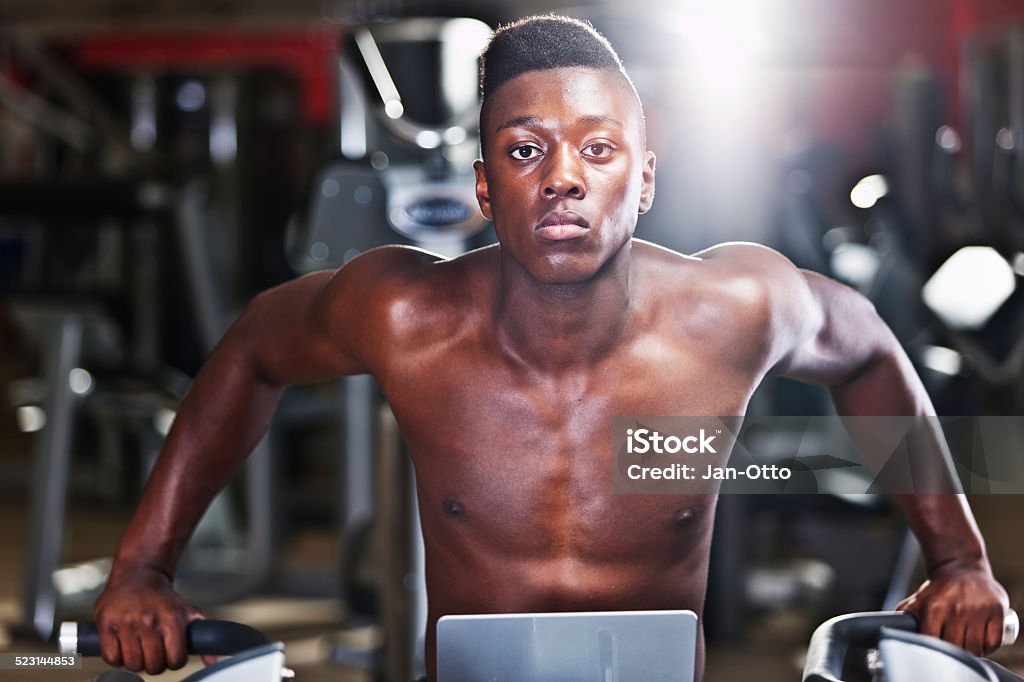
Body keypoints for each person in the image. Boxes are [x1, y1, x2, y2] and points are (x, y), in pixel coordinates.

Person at [93, 15, 1009, 681]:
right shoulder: (407, 316)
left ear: (645, 179)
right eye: (526, 151)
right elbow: (255, 345)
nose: (564, 178)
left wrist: (957, 556)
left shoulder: (734, 309)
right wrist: (142, 566)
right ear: (487, 189)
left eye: (598, 150)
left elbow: (869, 352)